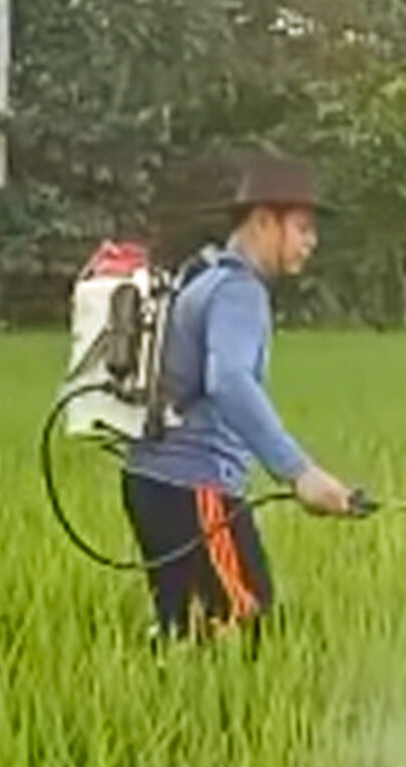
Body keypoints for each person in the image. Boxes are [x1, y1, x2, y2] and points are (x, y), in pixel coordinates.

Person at [119, 154, 359, 644]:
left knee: (183, 628)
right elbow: (229, 380)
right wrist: (300, 473)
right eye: (304, 228)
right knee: (249, 619)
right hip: (196, 487)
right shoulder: (239, 291)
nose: (312, 242)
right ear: (264, 221)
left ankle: (170, 709)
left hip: (150, 480)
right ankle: (229, 718)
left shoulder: (201, 275)